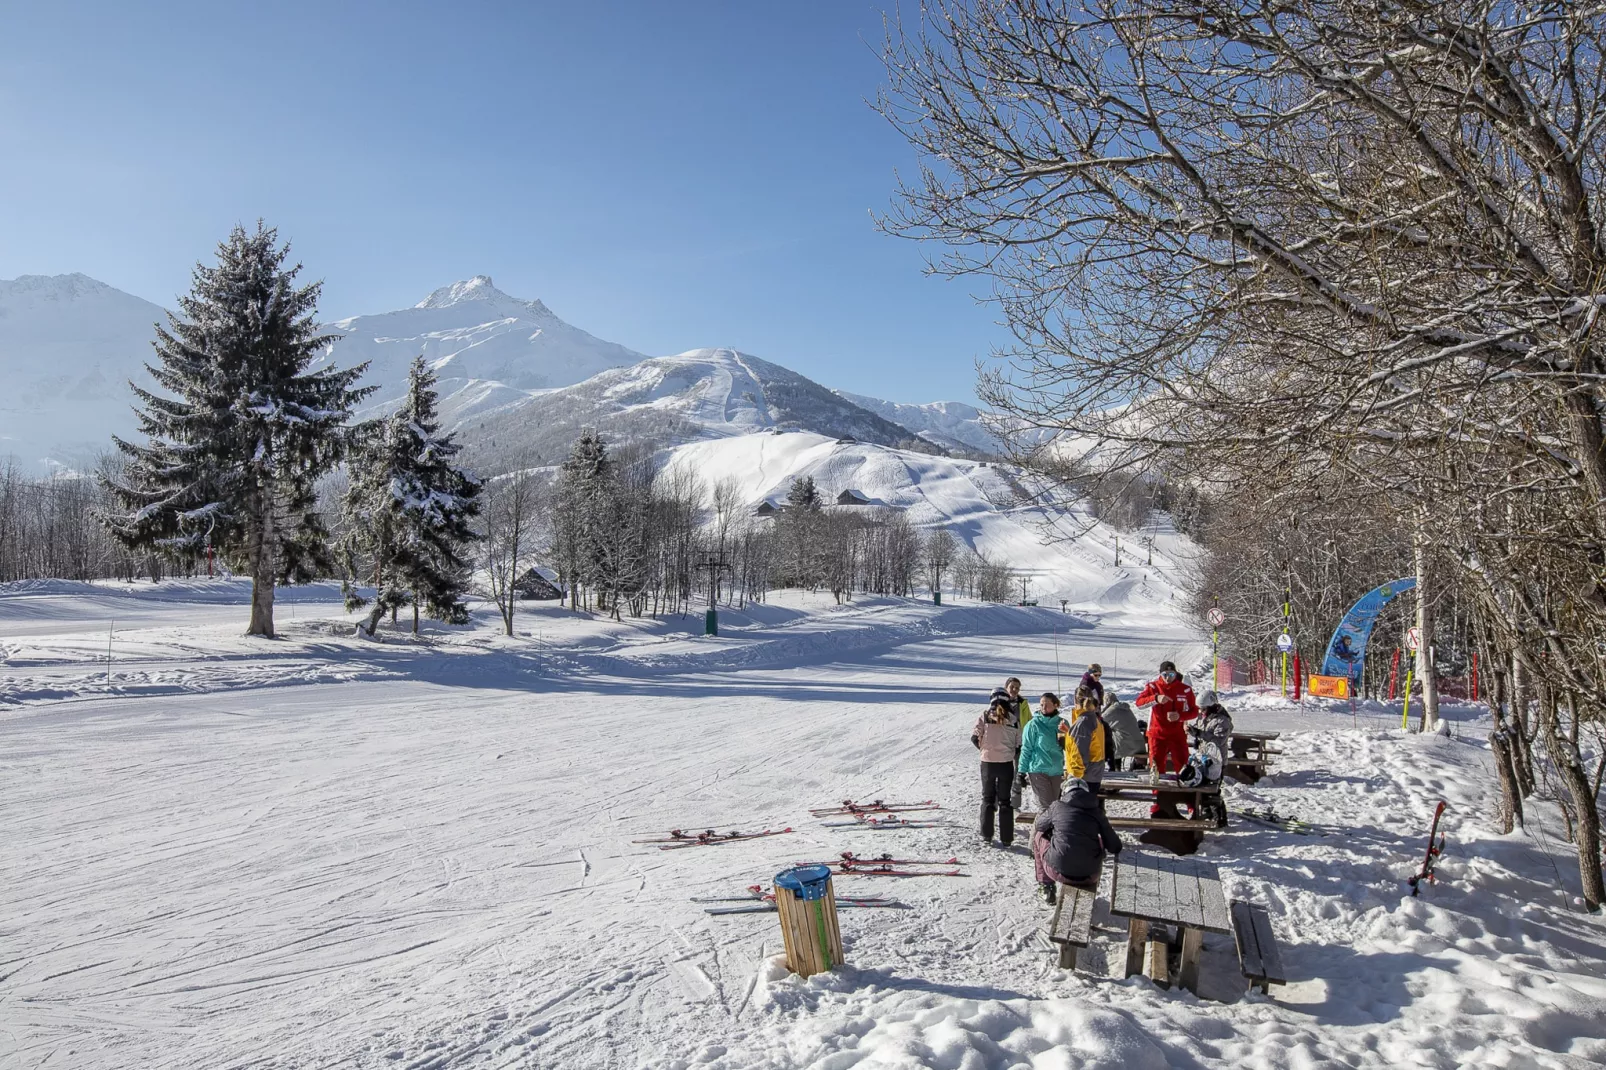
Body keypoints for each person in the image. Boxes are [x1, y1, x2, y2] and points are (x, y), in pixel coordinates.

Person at [1031, 777, 1122, 904]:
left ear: (1065, 792)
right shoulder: (1097, 812)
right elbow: (1115, 847)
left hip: (1057, 871)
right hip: (1090, 874)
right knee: (1098, 839)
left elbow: (1040, 826)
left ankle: (1046, 886)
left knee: (1038, 835)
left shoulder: (1057, 806)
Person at [1134, 660, 1198, 778]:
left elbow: (1194, 711)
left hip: (1177, 734)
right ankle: (1158, 793)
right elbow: (1139, 703)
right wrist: (1156, 698)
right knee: (1156, 766)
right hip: (1157, 733)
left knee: (1183, 764)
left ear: (1175, 674)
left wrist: (1180, 716)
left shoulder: (1185, 689)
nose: (1168, 678)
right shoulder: (1153, 687)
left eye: (1171, 674)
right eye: (1165, 675)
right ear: (1160, 675)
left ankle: (1184, 792)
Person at [972, 694, 1021, 846]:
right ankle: (1006, 837)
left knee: (987, 798)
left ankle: (987, 834)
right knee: (1005, 800)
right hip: (1005, 763)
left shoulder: (985, 716)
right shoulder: (1013, 720)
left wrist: (984, 749)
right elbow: (1019, 744)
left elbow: (974, 737)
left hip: (988, 762)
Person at [1017, 692, 1068, 811]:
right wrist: (1021, 772)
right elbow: (1026, 748)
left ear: (1056, 705)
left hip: (1056, 770)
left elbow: (1071, 747)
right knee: (1046, 809)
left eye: (1047, 705)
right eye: (1041, 705)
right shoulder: (1033, 725)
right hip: (1038, 769)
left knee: (1055, 807)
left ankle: (1050, 830)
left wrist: (1067, 738)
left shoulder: (1062, 724)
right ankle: (1039, 830)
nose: (1043, 708)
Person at [1059, 695, 1107, 792]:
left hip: (1083, 777)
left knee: (1080, 805)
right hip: (1094, 773)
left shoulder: (1083, 722)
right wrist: (1068, 733)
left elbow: (1080, 752)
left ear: (1076, 704)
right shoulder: (1093, 719)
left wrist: (1074, 777)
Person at [1101, 693, 1146, 771]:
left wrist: (1104, 710)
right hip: (1139, 745)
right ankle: (1135, 765)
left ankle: (1115, 768)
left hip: (1126, 747)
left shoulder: (1111, 710)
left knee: (1112, 741)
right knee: (1118, 734)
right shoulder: (1126, 709)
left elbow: (1098, 721)